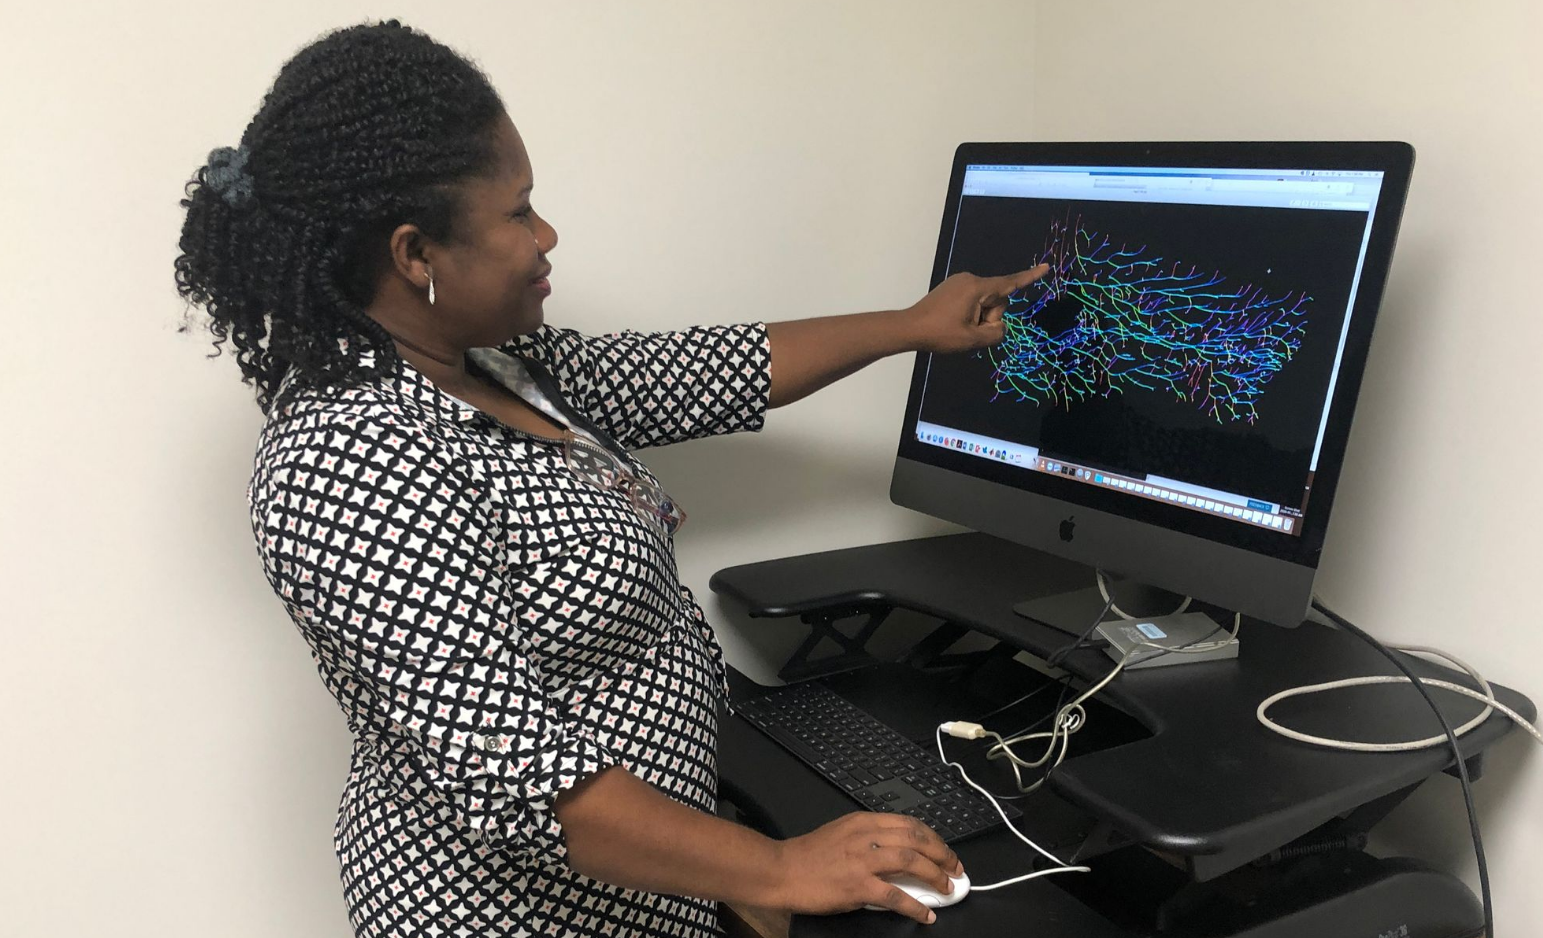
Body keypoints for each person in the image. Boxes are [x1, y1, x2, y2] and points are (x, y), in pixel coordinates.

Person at [176, 19, 1045, 938]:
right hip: (508, 915)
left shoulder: (498, 368)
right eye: (516, 213)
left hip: (644, 885)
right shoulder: (348, 458)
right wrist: (782, 866)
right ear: (414, 254)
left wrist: (913, 324)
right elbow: (519, 783)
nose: (546, 233)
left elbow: (709, 369)